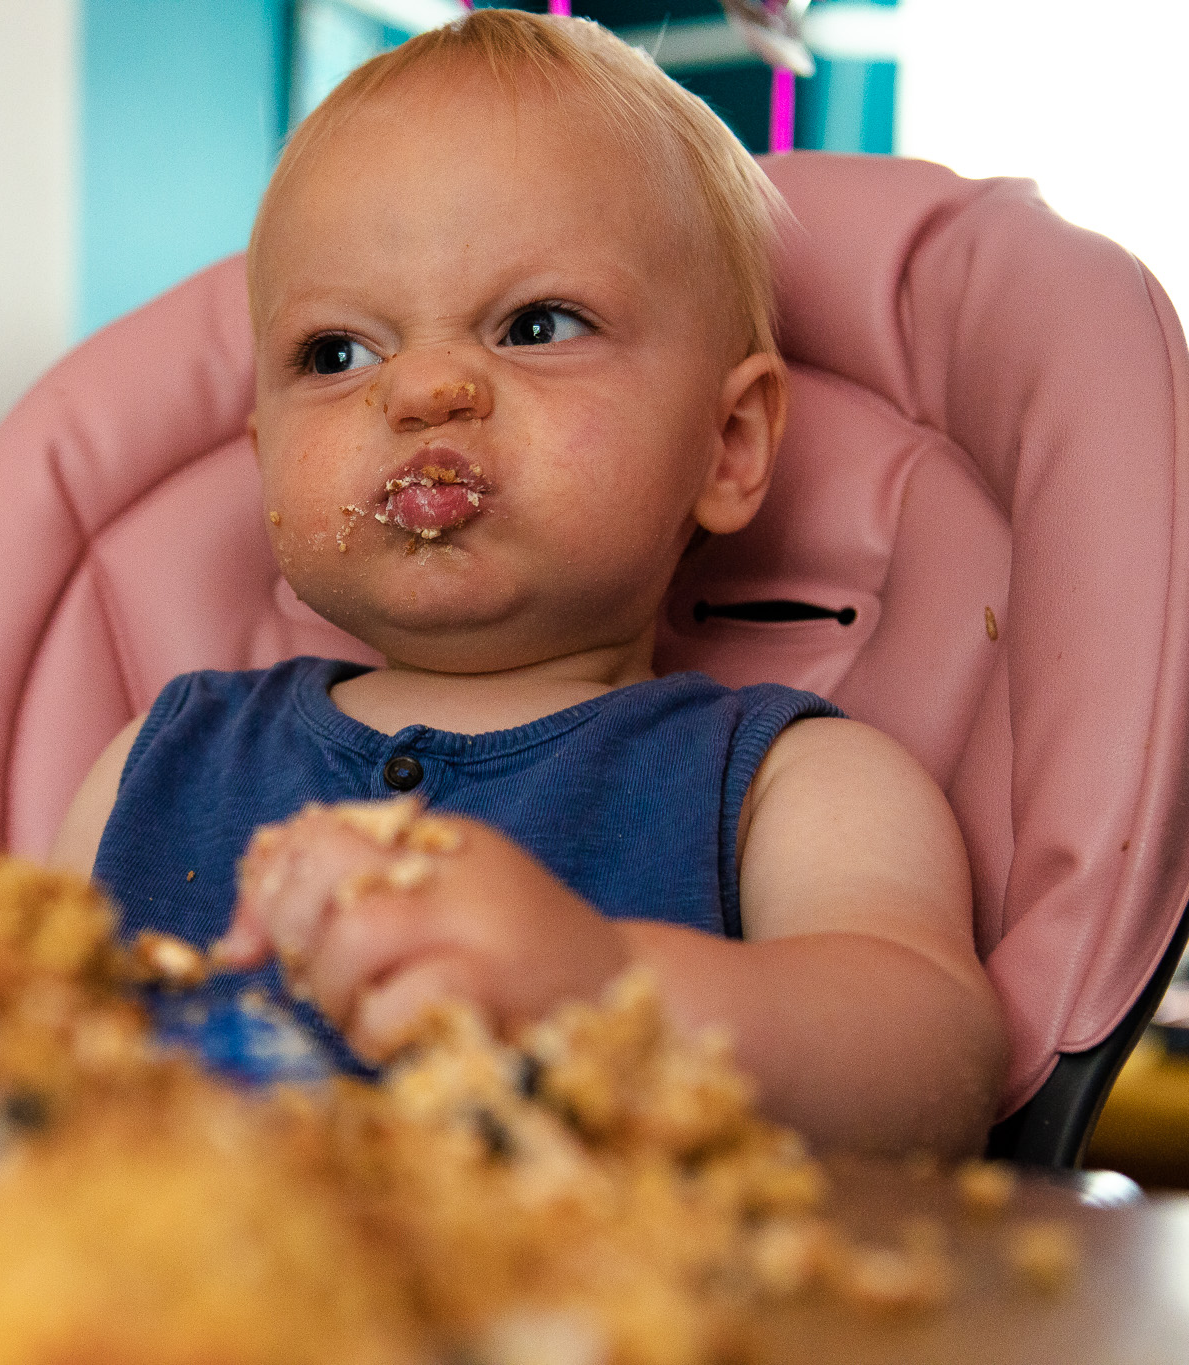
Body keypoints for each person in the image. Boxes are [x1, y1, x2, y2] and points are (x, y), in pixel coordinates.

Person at [49, 10, 1006, 1156]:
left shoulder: (786, 788)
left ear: (730, 445)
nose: (423, 390)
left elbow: (936, 1066)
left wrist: (610, 989)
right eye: (335, 353)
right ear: (262, 464)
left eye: (535, 325)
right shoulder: (151, 766)